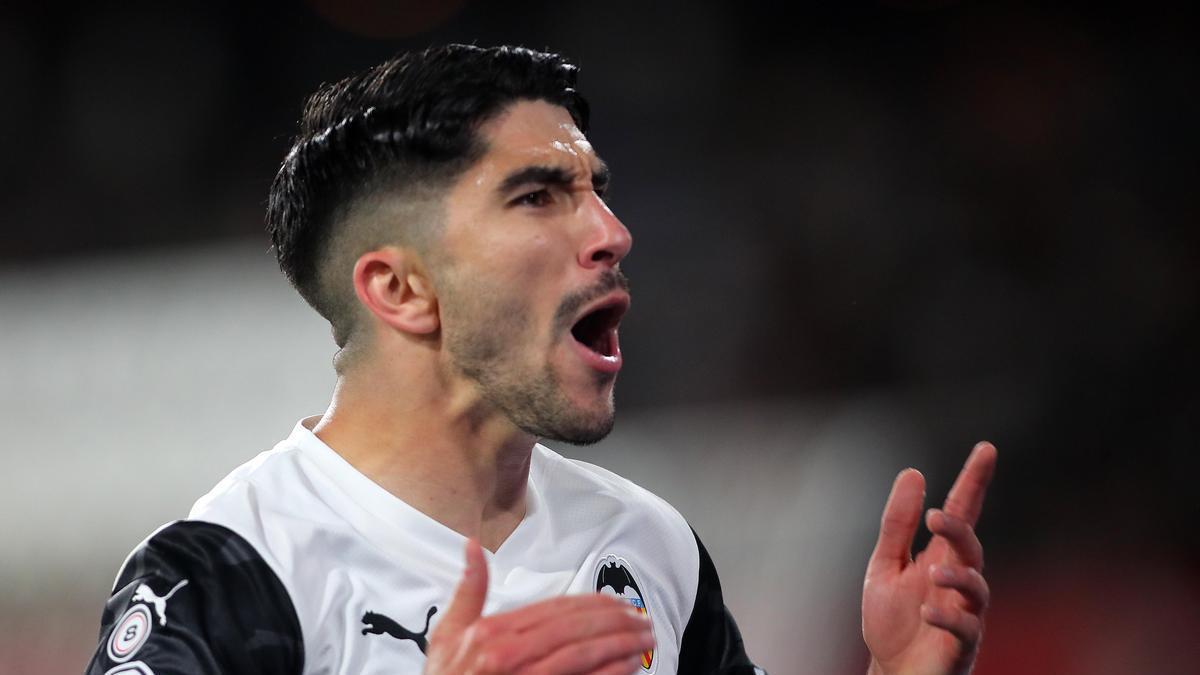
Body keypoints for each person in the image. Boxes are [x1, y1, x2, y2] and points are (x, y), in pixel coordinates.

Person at [85, 44, 996, 675]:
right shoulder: (232, 572)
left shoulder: (650, 544)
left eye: (596, 190)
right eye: (537, 196)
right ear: (400, 289)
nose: (612, 231)